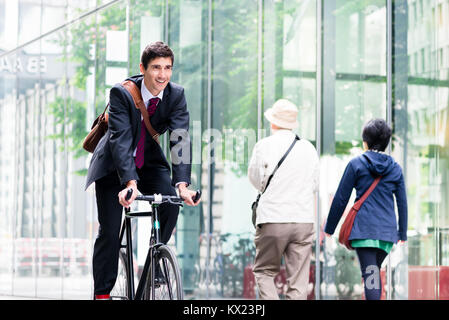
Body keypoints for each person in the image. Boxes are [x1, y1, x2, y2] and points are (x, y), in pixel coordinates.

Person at [85, 41, 200, 300]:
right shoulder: (122, 93)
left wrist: (182, 185)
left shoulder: (176, 95)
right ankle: (102, 294)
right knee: (110, 230)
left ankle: (155, 260)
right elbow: (121, 140)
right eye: (156, 67)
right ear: (143, 68)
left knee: (171, 201)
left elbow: (180, 138)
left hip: (148, 163)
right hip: (115, 166)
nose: (162, 75)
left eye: (168, 68)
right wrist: (130, 183)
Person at [324, 118, 408, 300]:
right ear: (386, 143)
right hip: (386, 234)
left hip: (364, 232)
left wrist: (329, 228)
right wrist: (402, 233)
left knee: (371, 277)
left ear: (365, 142)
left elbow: (341, 198)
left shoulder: (356, 164)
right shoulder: (396, 169)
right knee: (373, 274)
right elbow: (402, 202)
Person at [248, 99, 319, 300]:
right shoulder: (308, 149)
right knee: (298, 282)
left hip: (273, 217)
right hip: (303, 219)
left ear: (273, 122)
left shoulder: (264, 146)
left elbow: (255, 179)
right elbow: (315, 184)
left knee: (264, 271)